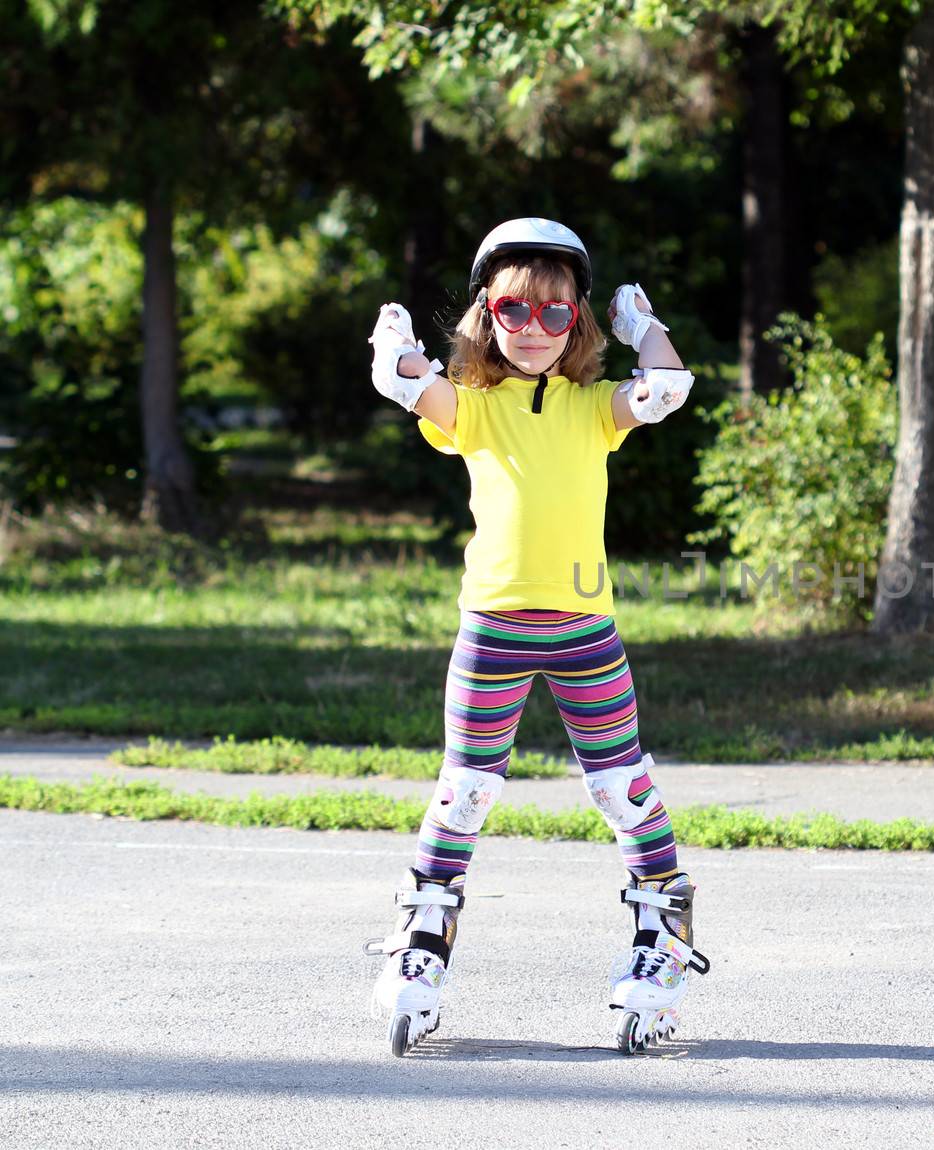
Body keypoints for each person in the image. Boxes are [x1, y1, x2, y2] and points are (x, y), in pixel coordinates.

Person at [360, 217, 708, 1057]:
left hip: (586, 628)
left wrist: (642, 327)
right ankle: (421, 945)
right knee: (464, 790)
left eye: (557, 316)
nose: (533, 330)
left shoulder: (594, 407)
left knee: (622, 786)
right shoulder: (475, 409)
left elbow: (665, 388)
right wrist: (396, 351)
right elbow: (411, 386)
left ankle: (660, 946)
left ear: (578, 324)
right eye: (514, 311)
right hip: (493, 628)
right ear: (488, 313)